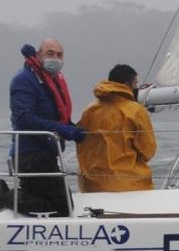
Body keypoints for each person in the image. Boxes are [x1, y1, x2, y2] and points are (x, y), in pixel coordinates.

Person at [9, 39, 85, 216]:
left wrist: (73, 129)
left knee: (59, 201)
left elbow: (54, 115)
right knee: (63, 207)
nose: (55, 58)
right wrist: (60, 129)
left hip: (47, 154)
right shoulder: (24, 80)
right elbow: (23, 117)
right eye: (50, 53)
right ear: (38, 55)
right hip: (29, 155)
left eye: (60, 55)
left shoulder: (52, 81)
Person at [76, 64, 157, 192]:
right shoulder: (136, 111)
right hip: (128, 184)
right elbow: (148, 151)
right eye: (135, 84)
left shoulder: (89, 110)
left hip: (92, 185)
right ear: (127, 85)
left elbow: (81, 146)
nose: (137, 88)